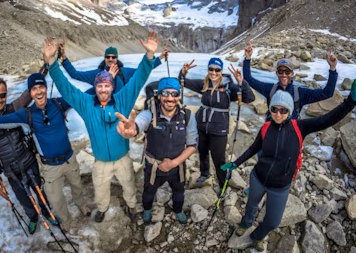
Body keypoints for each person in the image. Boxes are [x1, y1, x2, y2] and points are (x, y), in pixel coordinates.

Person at [220, 70, 356, 251]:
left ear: (290, 111)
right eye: (274, 109)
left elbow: (328, 119)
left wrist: (350, 102)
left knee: (273, 222)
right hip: (258, 178)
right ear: (270, 109)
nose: (278, 113)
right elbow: (254, 148)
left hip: (280, 186)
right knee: (251, 206)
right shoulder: (266, 127)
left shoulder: (300, 127)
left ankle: (257, 236)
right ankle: (245, 223)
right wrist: (236, 163)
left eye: (283, 110)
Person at [0, 73, 88, 232]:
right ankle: (33, 218)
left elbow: (30, 93)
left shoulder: (13, 108)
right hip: (10, 169)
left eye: (2, 95)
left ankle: (48, 213)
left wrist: (48, 65)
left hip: (28, 160)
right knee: (23, 199)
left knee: (41, 191)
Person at [44, 32, 159, 223]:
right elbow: (66, 87)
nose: (103, 89)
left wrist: (149, 57)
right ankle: (103, 209)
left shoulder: (123, 99)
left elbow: (139, 78)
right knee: (100, 189)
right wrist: (52, 63)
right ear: (95, 87)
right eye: (100, 86)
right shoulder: (86, 104)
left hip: (122, 158)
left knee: (129, 186)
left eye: (107, 85)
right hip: (101, 161)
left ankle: (131, 207)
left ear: (112, 86)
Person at [116, 77, 198, 224]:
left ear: (178, 96)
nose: (170, 98)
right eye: (165, 93)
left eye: (174, 94)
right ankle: (147, 210)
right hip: (154, 166)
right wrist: (132, 129)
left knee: (179, 192)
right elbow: (139, 123)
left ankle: (178, 211)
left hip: (177, 166)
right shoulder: (150, 114)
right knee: (149, 191)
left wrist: (173, 163)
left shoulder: (187, 116)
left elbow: (192, 145)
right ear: (159, 95)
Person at [178, 57, 255, 189]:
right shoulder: (204, 84)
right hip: (201, 126)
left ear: (221, 71)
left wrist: (241, 82)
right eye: (211, 69)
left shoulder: (229, 87)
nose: (213, 72)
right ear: (208, 70)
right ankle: (205, 173)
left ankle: (222, 184)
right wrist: (183, 72)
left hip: (219, 129)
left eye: (217, 70)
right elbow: (182, 82)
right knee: (202, 151)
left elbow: (249, 98)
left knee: (218, 159)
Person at [242, 43, 339, 120]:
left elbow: (327, 93)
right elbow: (249, 80)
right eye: (281, 71)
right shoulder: (269, 89)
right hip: (271, 132)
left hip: (290, 135)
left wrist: (333, 69)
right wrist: (247, 58)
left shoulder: (301, 93)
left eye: (287, 71)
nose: (284, 75)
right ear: (277, 73)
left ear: (292, 74)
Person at [59, 41, 167, 94]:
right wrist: (64, 57)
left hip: (120, 111)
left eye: (113, 56)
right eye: (108, 56)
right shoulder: (97, 74)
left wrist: (160, 57)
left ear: (116, 58)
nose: (110, 59)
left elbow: (142, 71)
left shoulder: (124, 72)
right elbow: (75, 74)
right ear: (105, 58)